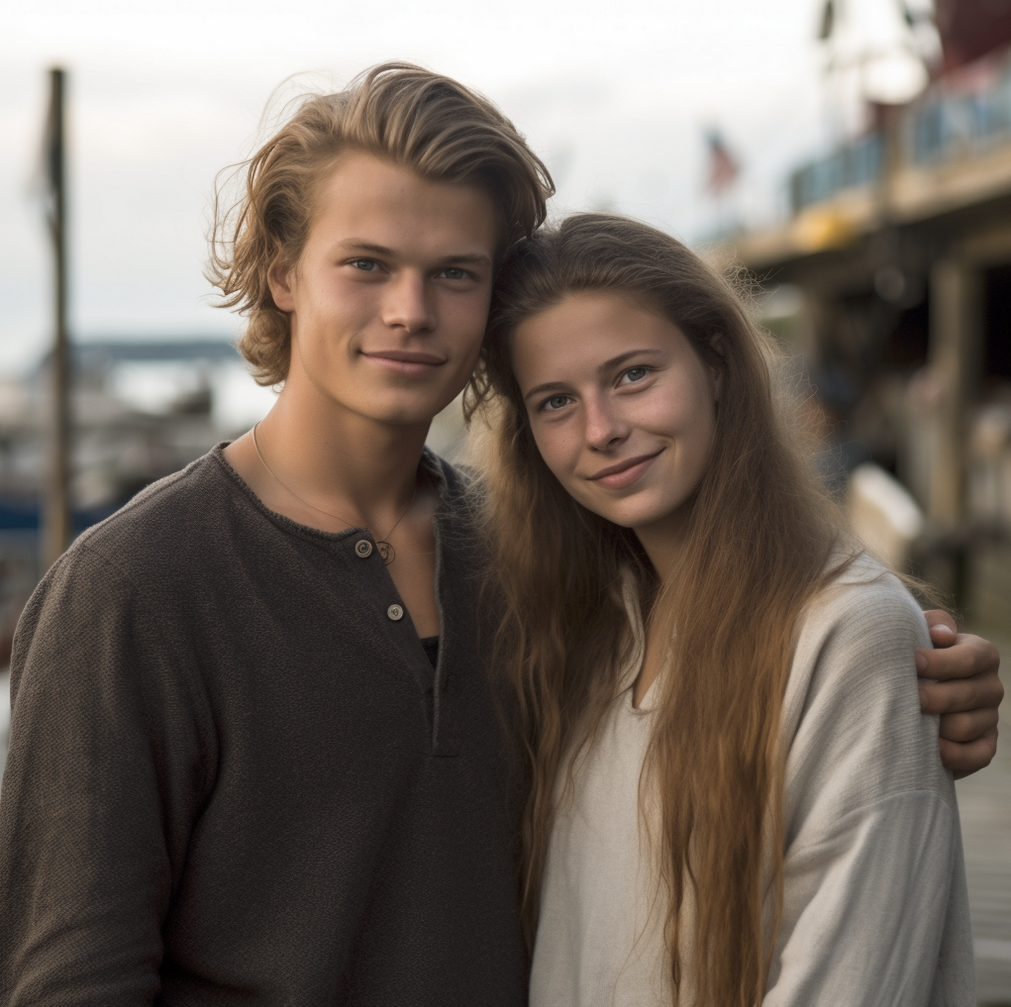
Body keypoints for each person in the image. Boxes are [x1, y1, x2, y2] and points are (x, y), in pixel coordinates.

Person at [0, 65, 1000, 1007]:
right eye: (366, 264)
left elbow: (768, 626)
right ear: (282, 271)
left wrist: (912, 642)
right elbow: (72, 977)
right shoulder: (129, 590)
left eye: (455, 273)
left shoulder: (549, 553)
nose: (410, 310)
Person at [470, 213, 995, 1006]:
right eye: (553, 401)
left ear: (716, 363)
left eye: (633, 374)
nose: (601, 430)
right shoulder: (582, 635)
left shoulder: (846, 635)